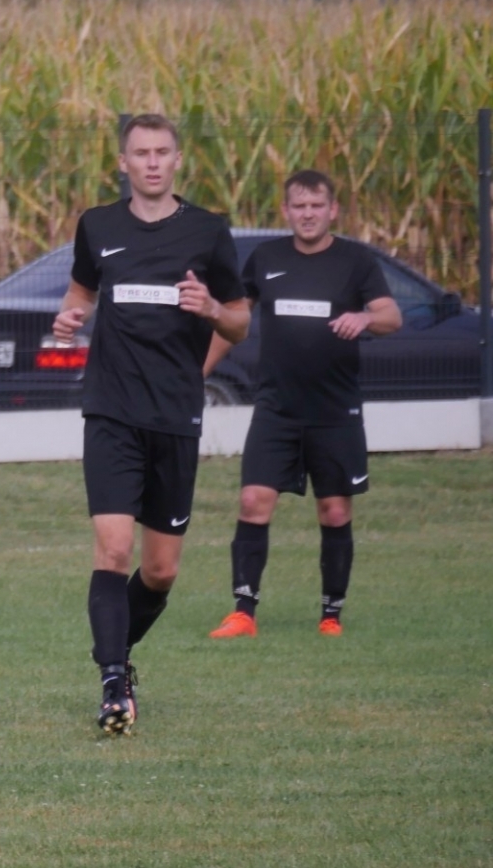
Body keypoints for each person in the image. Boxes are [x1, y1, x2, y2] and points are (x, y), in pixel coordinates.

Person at [52, 113, 249, 735]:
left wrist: (213, 308)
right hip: (110, 410)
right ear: (124, 162)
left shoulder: (208, 232)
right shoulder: (98, 225)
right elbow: (81, 292)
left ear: (178, 160)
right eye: (142, 153)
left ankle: (113, 652)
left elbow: (240, 322)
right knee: (112, 549)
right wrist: (69, 319)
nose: (154, 162)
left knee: (160, 571)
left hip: (174, 416)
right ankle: (114, 680)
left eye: (164, 152)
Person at [205, 170, 400, 640]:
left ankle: (331, 614)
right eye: (299, 205)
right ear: (287, 210)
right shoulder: (266, 258)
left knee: (334, 511)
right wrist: (197, 371)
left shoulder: (355, 261)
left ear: (332, 210)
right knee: (254, 501)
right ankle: (243, 613)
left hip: (335, 412)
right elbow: (233, 320)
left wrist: (364, 316)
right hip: (276, 409)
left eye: (317, 205)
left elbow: (392, 316)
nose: (308, 214)